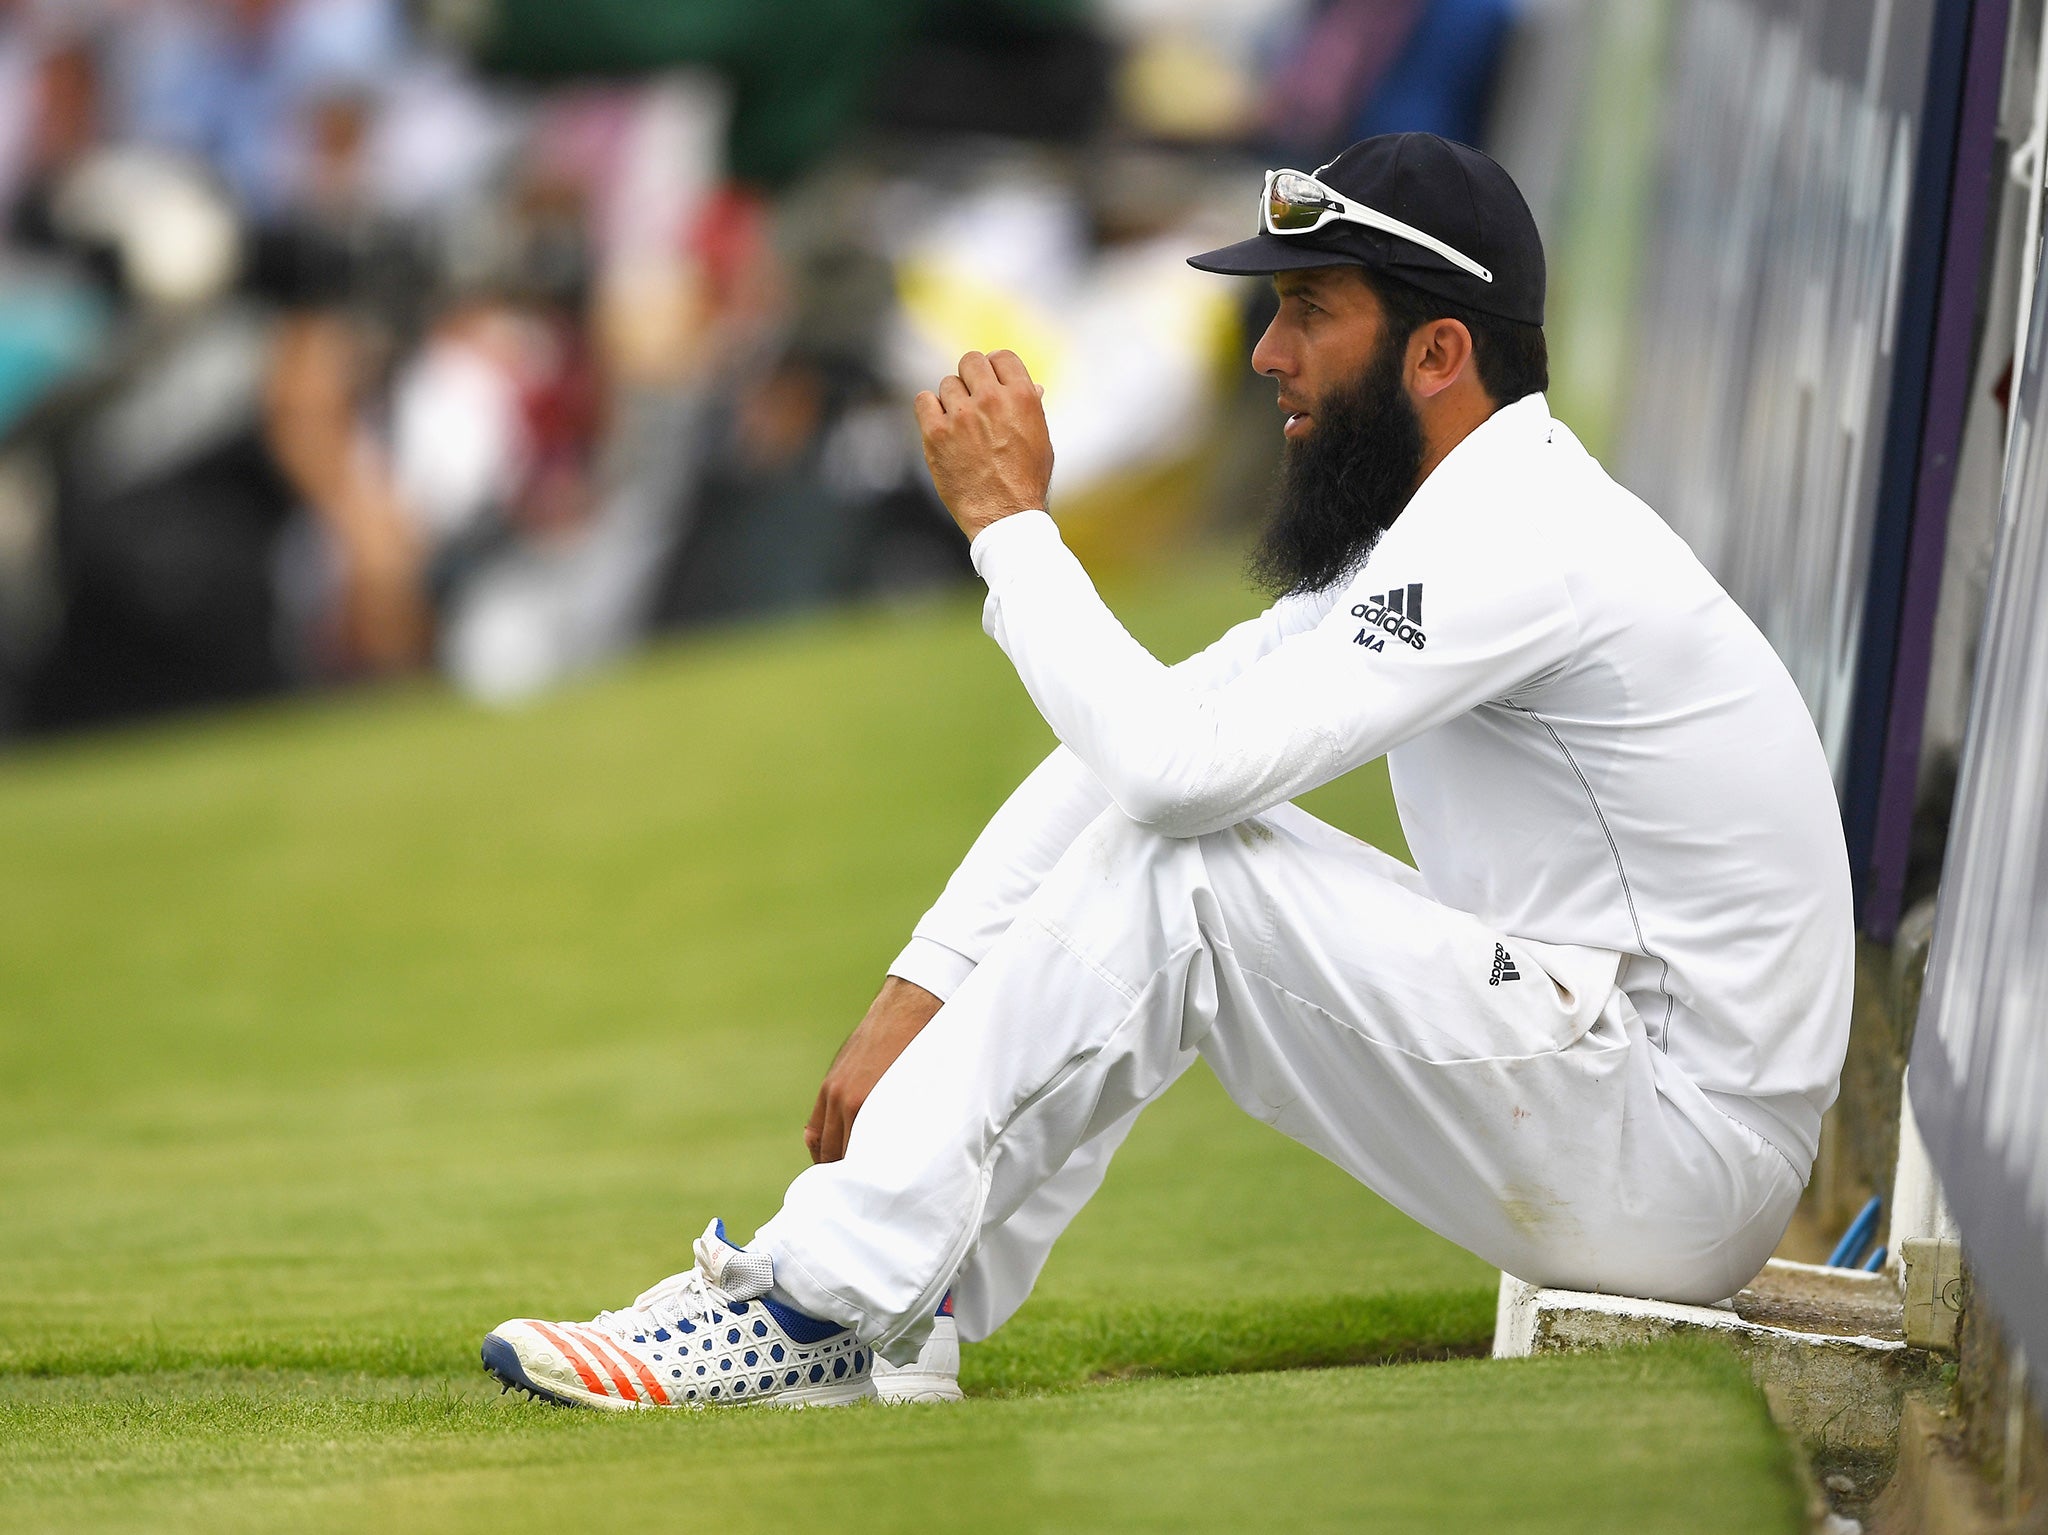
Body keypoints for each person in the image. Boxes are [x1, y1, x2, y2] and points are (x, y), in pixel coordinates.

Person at [480, 133, 1853, 1410]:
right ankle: (911, 1307)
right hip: (1633, 1108)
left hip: (1677, 1151)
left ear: (1438, 352)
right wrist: (923, 987)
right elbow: (1146, 745)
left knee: (1193, 866)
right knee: (1178, 852)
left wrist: (1012, 530)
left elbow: (1173, 778)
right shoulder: (1447, 523)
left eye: (1311, 314)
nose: (1267, 356)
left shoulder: (1522, 534)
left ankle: (810, 1310)